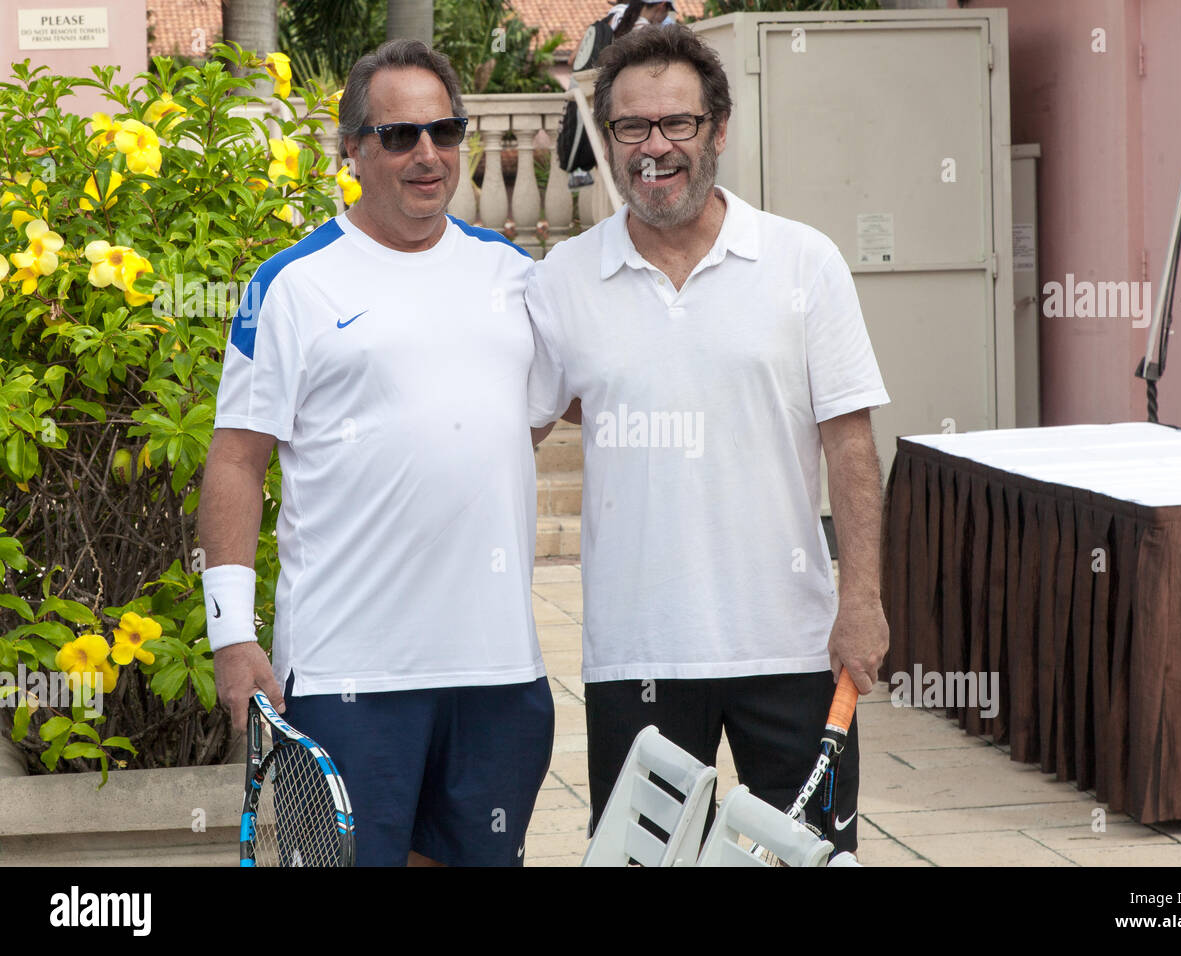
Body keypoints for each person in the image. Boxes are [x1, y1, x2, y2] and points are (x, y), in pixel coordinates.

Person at [527, 25, 891, 855]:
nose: (655, 148)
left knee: (814, 859)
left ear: (718, 129)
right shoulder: (564, 283)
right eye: (631, 128)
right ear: (609, 141)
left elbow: (851, 446)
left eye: (677, 124)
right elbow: (517, 425)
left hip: (792, 648)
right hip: (638, 655)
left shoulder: (805, 264)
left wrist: (861, 601)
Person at [198, 39, 553, 867]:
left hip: (499, 674)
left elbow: (526, 416)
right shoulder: (288, 285)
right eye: (399, 136)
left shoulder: (514, 276)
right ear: (352, 149)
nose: (427, 154)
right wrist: (229, 635)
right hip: (347, 674)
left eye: (445, 130)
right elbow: (236, 460)